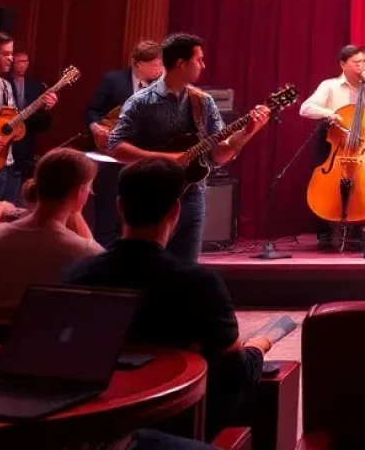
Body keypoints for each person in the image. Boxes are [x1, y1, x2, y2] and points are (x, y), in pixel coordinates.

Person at [64, 159, 274, 435]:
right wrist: (258, 348)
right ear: (176, 210)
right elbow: (236, 373)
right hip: (180, 421)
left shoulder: (77, 274)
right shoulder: (199, 284)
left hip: (100, 419)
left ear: (119, 206)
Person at [107, 33, 269, 263]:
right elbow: (115, 146)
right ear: (181, 63)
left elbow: (219, 154)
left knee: (186, 268)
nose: (203, 65)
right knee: (143, 267)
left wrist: (248, 132)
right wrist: (167, 159)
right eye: (199, 59)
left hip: (191, 197)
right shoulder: (141, 101)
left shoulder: (203, 102)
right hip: (149, 197)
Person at [0, 147, 100, 317]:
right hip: (43, 339)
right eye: (88, 189)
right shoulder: (86, 252)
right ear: (79, 191)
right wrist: (76, 211)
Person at [300, 43, 365, 250]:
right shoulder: (329, 86)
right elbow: (306, 108)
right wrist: (330, 114)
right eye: (356, 63)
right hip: (334, 145)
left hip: (362, 150)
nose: (361, 66)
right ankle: (324, 232)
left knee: (362, 185)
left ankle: (358, 229)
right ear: (343, 64)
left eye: (364, 62)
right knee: (325, 184)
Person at [0, 31, 56, 206]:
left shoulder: (5, 86)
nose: (11, 59)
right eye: (6, 54)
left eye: (12, 54)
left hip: (3, 161)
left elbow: (15, 122)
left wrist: (42, 106)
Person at [86, 40, 164, 150]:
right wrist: (95, 127)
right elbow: (92, 110)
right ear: (139, 65)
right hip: (111, 147)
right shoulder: (113, 80)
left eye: (162, 64)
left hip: (146, 150)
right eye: (156, 65)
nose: (160, 69)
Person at [5, 49, 52, 204]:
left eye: (26, 61)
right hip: (4, 139)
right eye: (20, 61)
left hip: (26, 142)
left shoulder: (35, 85)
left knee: (22, 181)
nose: (23, 65)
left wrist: (45, 108)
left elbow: (45, 123)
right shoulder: (3, 82)